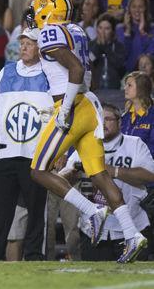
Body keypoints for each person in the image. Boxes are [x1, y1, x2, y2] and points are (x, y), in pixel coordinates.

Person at [27, 0, 148, 263]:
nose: (35, 15)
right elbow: (87, 72)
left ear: (47, 10)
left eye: (38, 9)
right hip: (90, 103)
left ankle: (92, 211)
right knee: (99, 175)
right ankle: (132, 234)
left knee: (37, 171)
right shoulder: (77, 31)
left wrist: (65, 107)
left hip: (73, 107)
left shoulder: (50, 33)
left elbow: (77, 71)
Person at [0, 28, 52, 260]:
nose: (23, 48)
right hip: (7, 152)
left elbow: (58, 113)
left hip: (37, 153)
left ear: (41, 47)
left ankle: (32, 254)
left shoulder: (51, 74)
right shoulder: (7, 71)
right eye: (22, 43)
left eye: (29, 43)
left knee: (36, 208)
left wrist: (58, 149)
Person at [61, 104, 153, 261]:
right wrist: (74, 173)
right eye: (99, 119)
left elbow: (150, 176)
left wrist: (114, 171)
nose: (102, 123)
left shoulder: (134, 143)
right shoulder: (85, 145)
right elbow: (64, 179)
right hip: (93, 231)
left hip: (132, 225)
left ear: (120, 122)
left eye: (108, 119)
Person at [117, 0, 154, 72]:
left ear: (146, 9)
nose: (137, 10)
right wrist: (127, 32)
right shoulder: (120, 29)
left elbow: (150, 54)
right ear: (129, 9)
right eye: (133, 7)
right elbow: (122, 56)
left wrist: (142, 32)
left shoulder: (152, 28)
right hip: (128, 73)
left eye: (140, 7)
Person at [121, 71, 154, 157]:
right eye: (126, 85)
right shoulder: (125, 116)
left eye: (129, 85)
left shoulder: (152, 115)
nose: (125, 88)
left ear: (141, 89)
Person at [90, 14, 126, 90]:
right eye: (100, 28)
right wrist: (98, 46)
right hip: (95, 89)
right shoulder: (90, 45)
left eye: (107, 29)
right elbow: (89, 62)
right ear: (96, 29)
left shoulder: (119, 47)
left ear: (112, 31)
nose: (102, 32)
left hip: (113, 90)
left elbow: (119, 66)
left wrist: (106, 47)